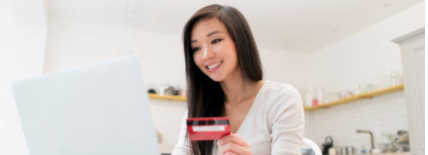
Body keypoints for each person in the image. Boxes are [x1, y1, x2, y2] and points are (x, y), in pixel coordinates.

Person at [172, 4, 305, 155]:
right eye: (196, 48)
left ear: (239, 41)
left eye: (215, 41)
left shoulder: (281, 99)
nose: (205, 55)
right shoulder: (198, 108)